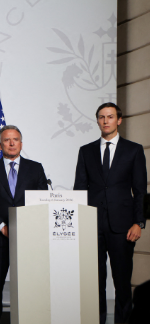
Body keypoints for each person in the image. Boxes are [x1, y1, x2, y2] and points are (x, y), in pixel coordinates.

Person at [73, 103, 146, 324]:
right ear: (97, 121)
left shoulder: (133, 150)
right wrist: (80, 223)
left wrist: (138, 222)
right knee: (94, 283)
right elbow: (79, 189)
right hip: (92, 226)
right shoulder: (86, 151)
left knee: (122, 282)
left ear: (119, 120)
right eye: (102, 117)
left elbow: (140, 190)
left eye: (110, 117)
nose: (106, 121)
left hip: (123, 227)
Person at [0, 125, 48, 324]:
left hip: (29, 238)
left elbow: (43, 200)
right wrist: (2, 227)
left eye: (15, 139)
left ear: (21, 143)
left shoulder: (36, 168)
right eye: (7, 140)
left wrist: (27, 226)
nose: (12, 143)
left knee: (30, 285)